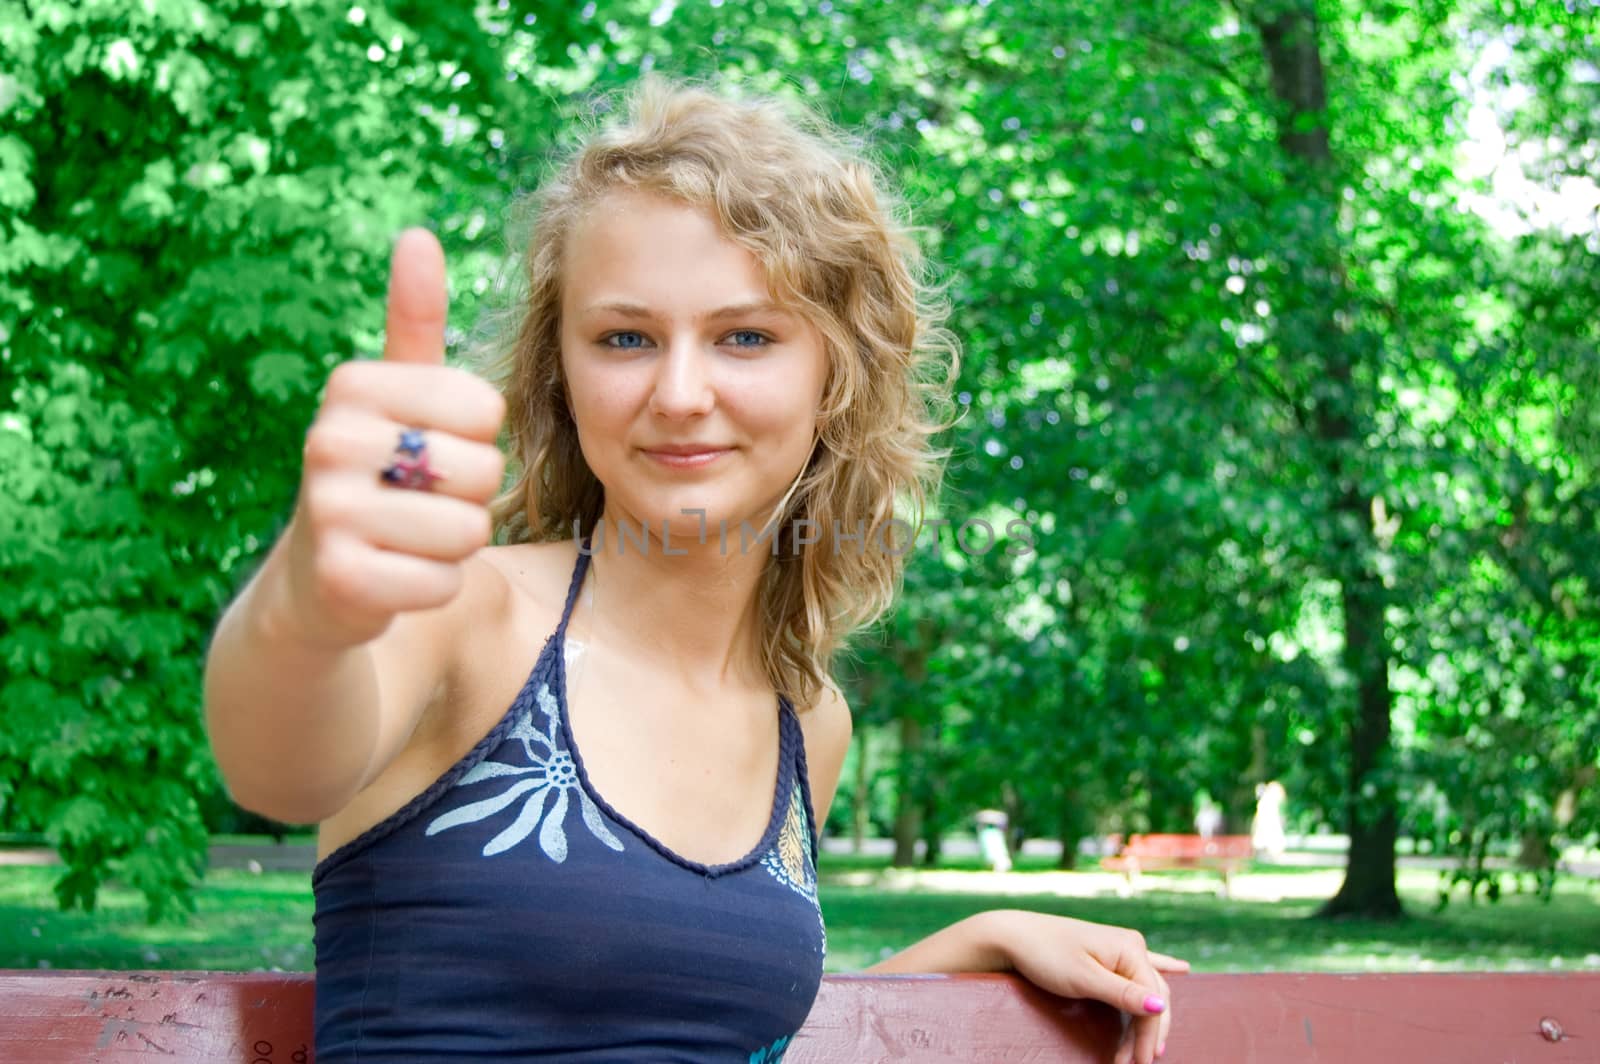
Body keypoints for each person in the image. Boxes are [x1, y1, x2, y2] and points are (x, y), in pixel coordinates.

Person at [203, 77, 1186, 1064]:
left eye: (744, 336)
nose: (678, 392)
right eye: (624, 337)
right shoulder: (467, 611)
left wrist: (980, 938)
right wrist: (308, 600)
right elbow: (279, 767)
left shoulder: (805, 722)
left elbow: (716, 1038)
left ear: (834, 379)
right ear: (562, 373)